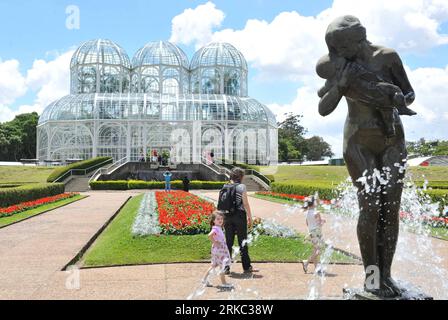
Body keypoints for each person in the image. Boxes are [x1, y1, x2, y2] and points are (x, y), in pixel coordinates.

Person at [317, 15, 416, 297]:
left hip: (392, 138)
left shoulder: (387, 58)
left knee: (390, 210)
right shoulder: (337, 65)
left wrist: (398, 97)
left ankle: (387, 275)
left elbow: (410, 94)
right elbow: (324, 107)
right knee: (371, 209)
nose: (336, 54)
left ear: (356, 41)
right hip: (358, 142)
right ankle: (372, 278)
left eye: (340, 48)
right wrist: (341, 85)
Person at [317, 54, 416, 137]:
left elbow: (321, 91)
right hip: (371, 88)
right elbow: (367, 74)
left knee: (386, 106)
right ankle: (400, 110)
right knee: (394, 91)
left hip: (367, 93)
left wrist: (327, 89)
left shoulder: (335, 79)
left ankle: (391, 126)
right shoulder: (351, 69)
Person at [222, 168, 255, 274]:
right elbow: (245, 203)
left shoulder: (225, 186)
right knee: (242, 242)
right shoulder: (242, 187)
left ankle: (226, 267)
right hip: (239, 216)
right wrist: (250, 217)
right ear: (240, 177)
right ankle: (246, 267)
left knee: (228, 242)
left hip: (227, 216)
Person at [201, 211, 233, 289]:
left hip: (217, 250)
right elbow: (210, 235)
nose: (220, 220)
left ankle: (204, 279)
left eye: (221, 219)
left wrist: (215, 242)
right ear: (213, 221)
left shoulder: (218, 228)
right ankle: (224, 283)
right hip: (220, 251)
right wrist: (215, 242)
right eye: (218, 219)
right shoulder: (216, 228)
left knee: (214, 265)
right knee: (222, 266)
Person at [302, 196, 326, 275]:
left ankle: (316, 268)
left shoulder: (307, 212)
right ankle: (306, 262)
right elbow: (319, 224)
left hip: (311, 232)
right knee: (318, 251)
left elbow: (307, 223)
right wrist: (323, 221)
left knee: (315, 250)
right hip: (317, 232)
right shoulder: (316, 212)